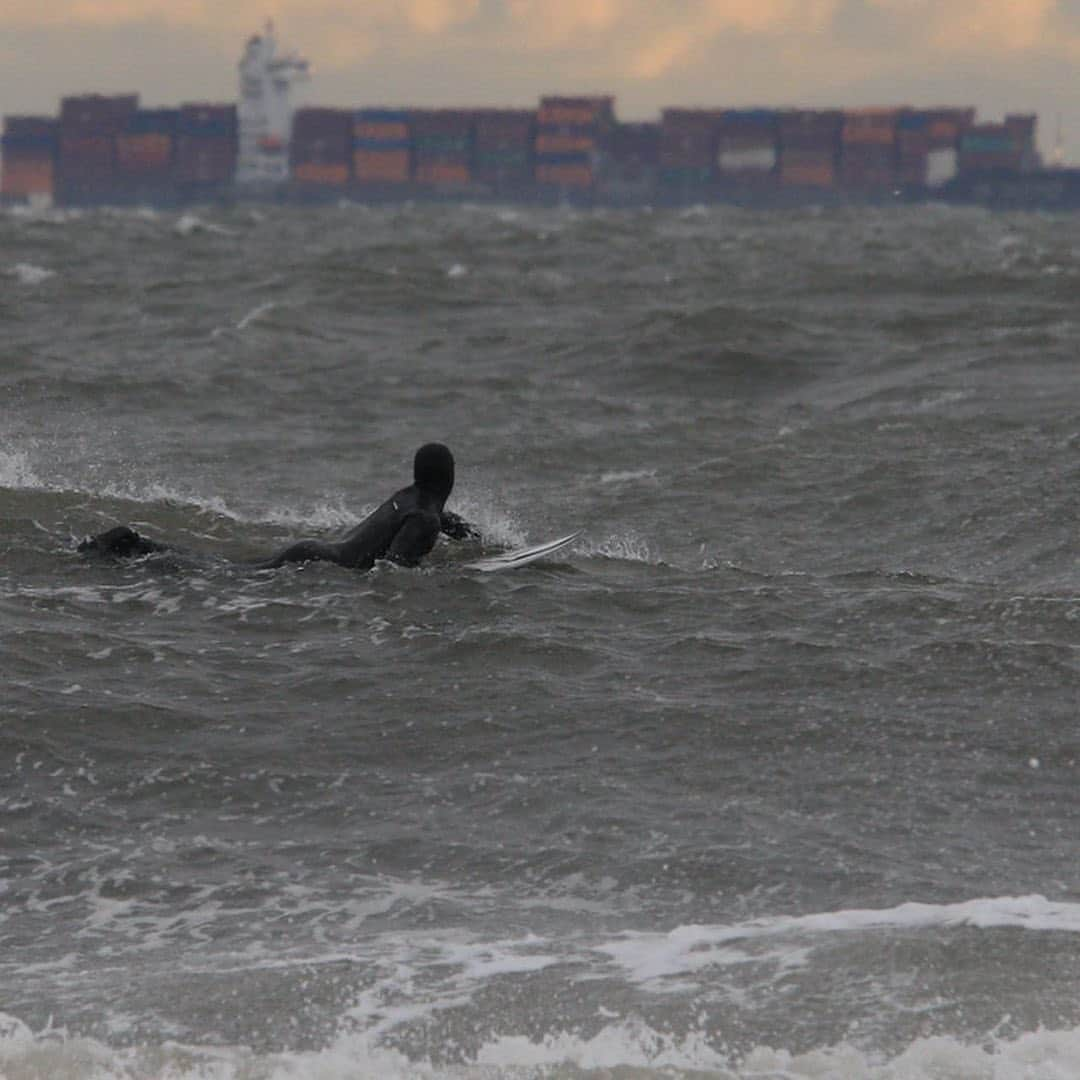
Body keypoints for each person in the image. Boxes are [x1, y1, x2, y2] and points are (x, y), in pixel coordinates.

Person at [79, 442, 479, 571]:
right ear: (449, 477)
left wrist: (484, 541)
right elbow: (393, 567)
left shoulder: (412, 498)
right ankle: (128, 545)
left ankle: (132, 545)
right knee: (219, 575)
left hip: (313, 551)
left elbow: (441, 523)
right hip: (314, 565)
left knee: (226, 570)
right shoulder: (425, 516)